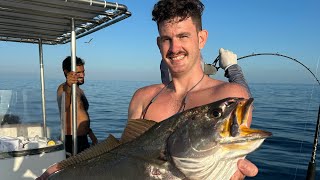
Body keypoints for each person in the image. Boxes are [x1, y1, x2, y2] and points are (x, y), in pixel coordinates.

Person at [128, 0, 257, 179]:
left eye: (183, 36)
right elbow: (123, 158)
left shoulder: (230, 97)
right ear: (159, 43)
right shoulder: (142, 98)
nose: (174, 48)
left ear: (201, 38)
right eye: (167, 39)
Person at [57, 56, 98, 157]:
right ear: (67, 72)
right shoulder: (63, 88)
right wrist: (68, 84)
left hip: (83, 139)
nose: (83, 75)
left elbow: (80, 114)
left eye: (83, 71)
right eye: (78, 72)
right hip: (71, 140)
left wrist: (91, 134)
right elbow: (65, 107)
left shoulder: (79, 90)